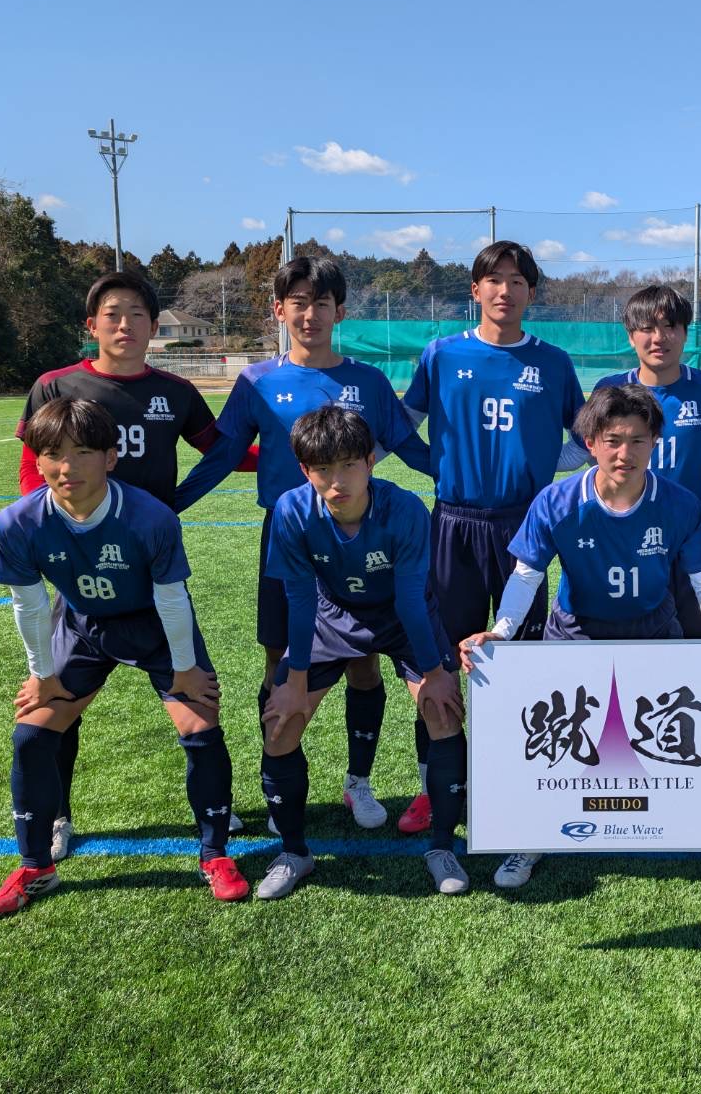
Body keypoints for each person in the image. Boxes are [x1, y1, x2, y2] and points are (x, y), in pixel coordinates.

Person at [461, 385, 701, 891]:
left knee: (683, 741)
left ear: (655, 443)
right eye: (613, 440)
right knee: (560, 746)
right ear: (590, 443)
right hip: (576, 634)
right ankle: (532, 834)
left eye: (638, 440)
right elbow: (525, 575)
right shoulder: (558, 501)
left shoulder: (678, 503)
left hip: (654, 632)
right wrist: (500, 630)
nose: (625, 453)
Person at [176, 257, 431, 834]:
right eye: (298, 302)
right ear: (279, 310)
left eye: (321, 303)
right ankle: (280, 788)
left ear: (340, 312)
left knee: (363, 662)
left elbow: (410, 448)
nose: (309, 314)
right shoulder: (257, 382)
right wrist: (171, 506)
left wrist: (466, 482)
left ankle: (358, 782)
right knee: (281, 661)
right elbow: (224, 454)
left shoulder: (368, 382)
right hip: (288, 538)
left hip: (356, 536)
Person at [16, 270, 257, 860]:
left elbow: (223, 451)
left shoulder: (175, 391)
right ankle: (57, 814)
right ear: (91, 324)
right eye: (113, 314)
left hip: (154, 574)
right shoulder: (55, 385)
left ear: (153, 327)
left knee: (198, 702)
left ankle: (214, 812)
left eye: (137, 315)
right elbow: (31, 468)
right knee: (56, 707)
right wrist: (47, 535)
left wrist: (297, 456)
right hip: (83, 576)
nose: (125, 325)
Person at [0, 397, 247, 916]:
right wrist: (42, 675)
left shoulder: (149, 518)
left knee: (201, 727)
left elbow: (172, 599)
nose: (67, 467)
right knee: (31, 734)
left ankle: (215, 854)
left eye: (82, 452)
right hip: (80, 626)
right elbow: (29, 604)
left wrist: (186, 669)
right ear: (37, 460)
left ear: (110, 457)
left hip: (156, 627)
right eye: (53, 454)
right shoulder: (17, 523)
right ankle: (35, 867)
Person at [401, 240, 585, 834]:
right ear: (475, 290)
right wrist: (438, 466)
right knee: (441, 658)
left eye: (517, 280)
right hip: (453, 523)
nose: (505, 290)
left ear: (532, 292)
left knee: (520, 659)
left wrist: (541, 465)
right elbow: (404, 426)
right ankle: (433, 785)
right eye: (494, 279)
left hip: (523, 527)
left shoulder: (553, 363)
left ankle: (516, 780)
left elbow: (586, 439)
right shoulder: (441, 353)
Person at [257, 406, 466, 897]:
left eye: (349, 465)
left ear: (370, 461)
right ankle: (294, 852)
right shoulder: (290, 510)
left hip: (402, 616)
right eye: (322, 469)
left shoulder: (405, 509)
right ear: (305, 470)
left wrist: (434, 672)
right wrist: (295, 680)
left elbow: (411, 598)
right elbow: (300, 598)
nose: (337, 481)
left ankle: (442, 848)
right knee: (281, 722)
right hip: (332, 616)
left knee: (442, 712)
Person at [591, 284, 701, 637]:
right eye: (647, 328)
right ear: (631, 336)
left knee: (694, 640)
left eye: (670, 326)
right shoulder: (609, 389)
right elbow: (590, 452)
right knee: (618, 640)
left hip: (685, 539)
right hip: (621, 541)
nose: (659, 337)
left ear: (685, 332)